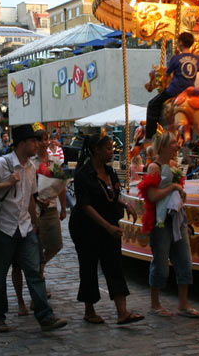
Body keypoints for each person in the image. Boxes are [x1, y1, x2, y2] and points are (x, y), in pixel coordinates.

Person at [0, 124, 67, 333]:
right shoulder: (1, 164)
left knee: (34, 272)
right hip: (3, 228)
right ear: (23, 143)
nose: (38, 144)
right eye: (34, 141)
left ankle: (45, 316)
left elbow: (29, 198)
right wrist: (5, 184)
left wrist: (35, 222)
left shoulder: (30, 167)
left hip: (25, 227)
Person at [70, 133, 143, 325]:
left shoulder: (110, 172)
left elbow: (110, 195)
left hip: (109, 223)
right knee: (89, 267)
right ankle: (89, 310)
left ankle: (122, 312)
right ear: (96, 150)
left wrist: (124, 204)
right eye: (109, 148)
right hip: (86, 227)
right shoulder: (83, 174)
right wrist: (108, 227)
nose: (112, 152)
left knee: (114, 265)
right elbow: (86, 206)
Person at [138, 131, 199, 318]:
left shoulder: (173, 166)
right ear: (164, 146)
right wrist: (173, 188)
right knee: (160, 263)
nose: (177, 146)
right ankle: (155, 304)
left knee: (184, 261)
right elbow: (152, 196)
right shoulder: (154, 168)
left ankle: (183, 304)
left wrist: (179, 195)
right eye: (174, 143)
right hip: (161, 222)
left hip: (176, 219)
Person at [13, 126, 68, 316]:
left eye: (46, 139)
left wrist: (63, 207)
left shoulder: (54, 161)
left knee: (56, 245)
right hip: (34, 210)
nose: (44, 142)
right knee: (34, 249)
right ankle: (37, 287)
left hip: (51, 207)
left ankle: (40, 267)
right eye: (40, 139)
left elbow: (61, 184)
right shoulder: (30, 162)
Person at [145, 31, 199, 142]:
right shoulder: (197, 59)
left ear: (180, 43)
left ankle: (150, 136)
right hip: (190, 92)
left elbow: (165, 76)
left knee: (152, 104)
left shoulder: (176, 58)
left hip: (175, 90)